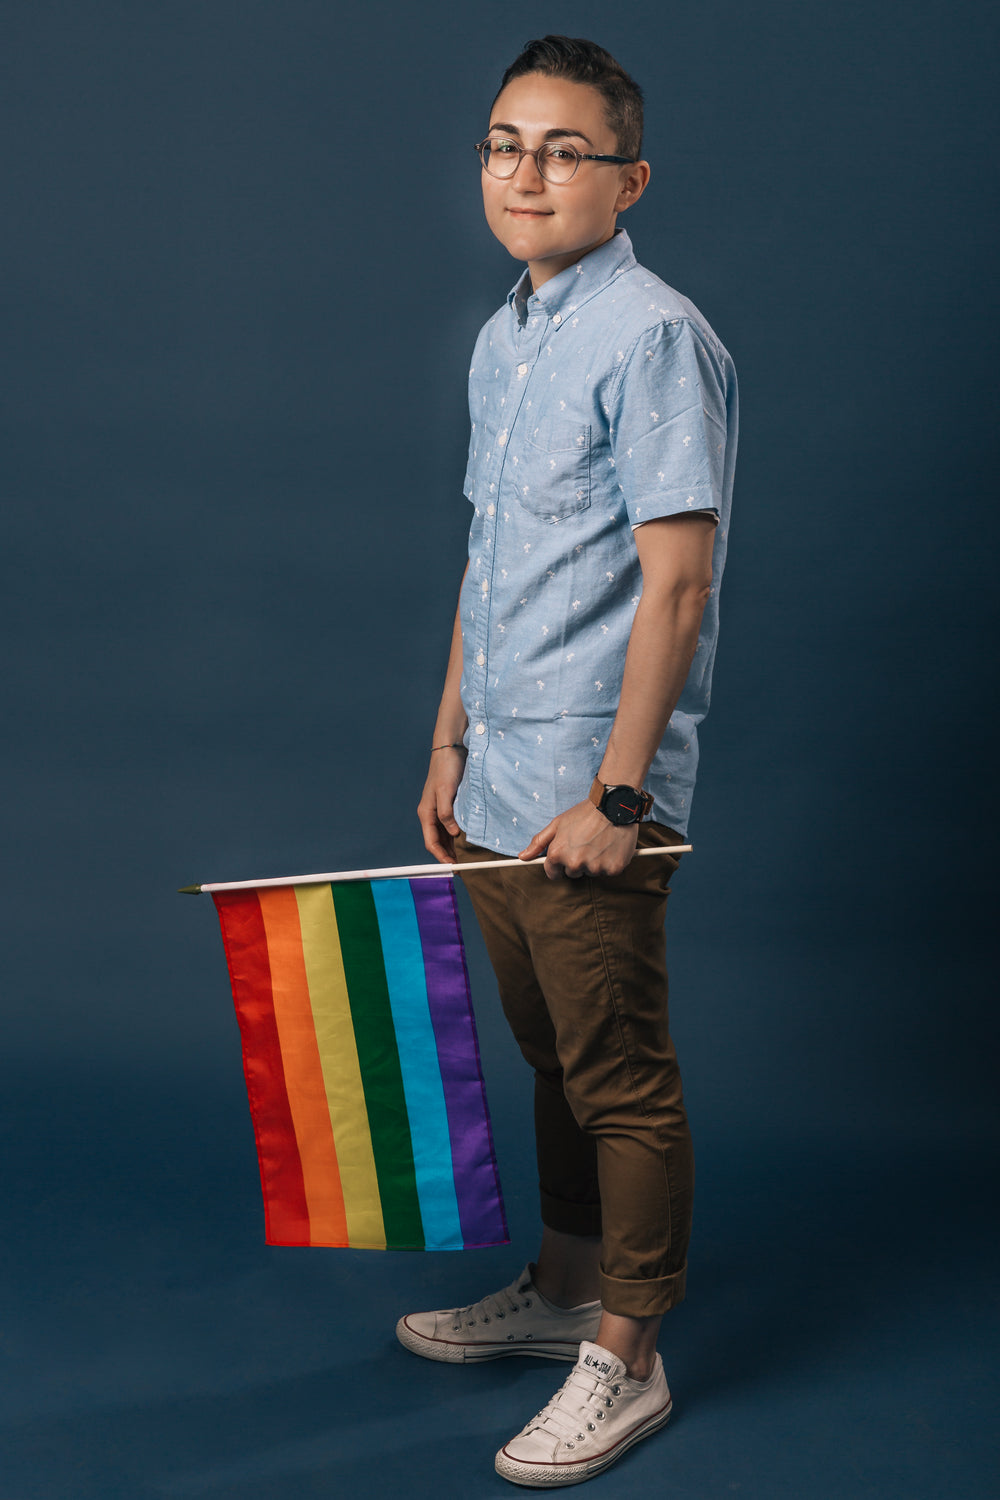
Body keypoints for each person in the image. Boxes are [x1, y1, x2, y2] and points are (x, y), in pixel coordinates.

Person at [398, 35, 738, 1487]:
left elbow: (676, 586)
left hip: (590, 804)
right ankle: (560, 1289)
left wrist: (617, 796)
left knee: (619, 1079)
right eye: (502, 143)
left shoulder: (656, 336)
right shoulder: (506, 333)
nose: (525, 172)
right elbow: (489, 558)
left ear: (629, 177)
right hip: (492, 784)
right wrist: (448, 736)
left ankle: (629, 1356)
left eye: (563, 149)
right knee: (546, 1053)